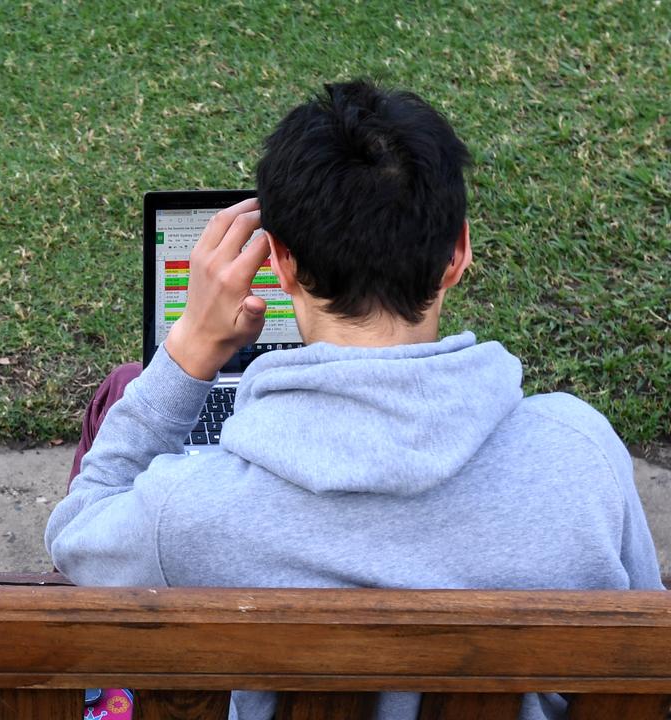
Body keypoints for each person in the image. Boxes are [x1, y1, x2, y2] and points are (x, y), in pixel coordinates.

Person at [44, 80, 662, 720]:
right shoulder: (581, 456)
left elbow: (78, 532)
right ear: (457, 252)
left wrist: (192, 347)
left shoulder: (188, 512)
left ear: (280, 266)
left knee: (124, 385)